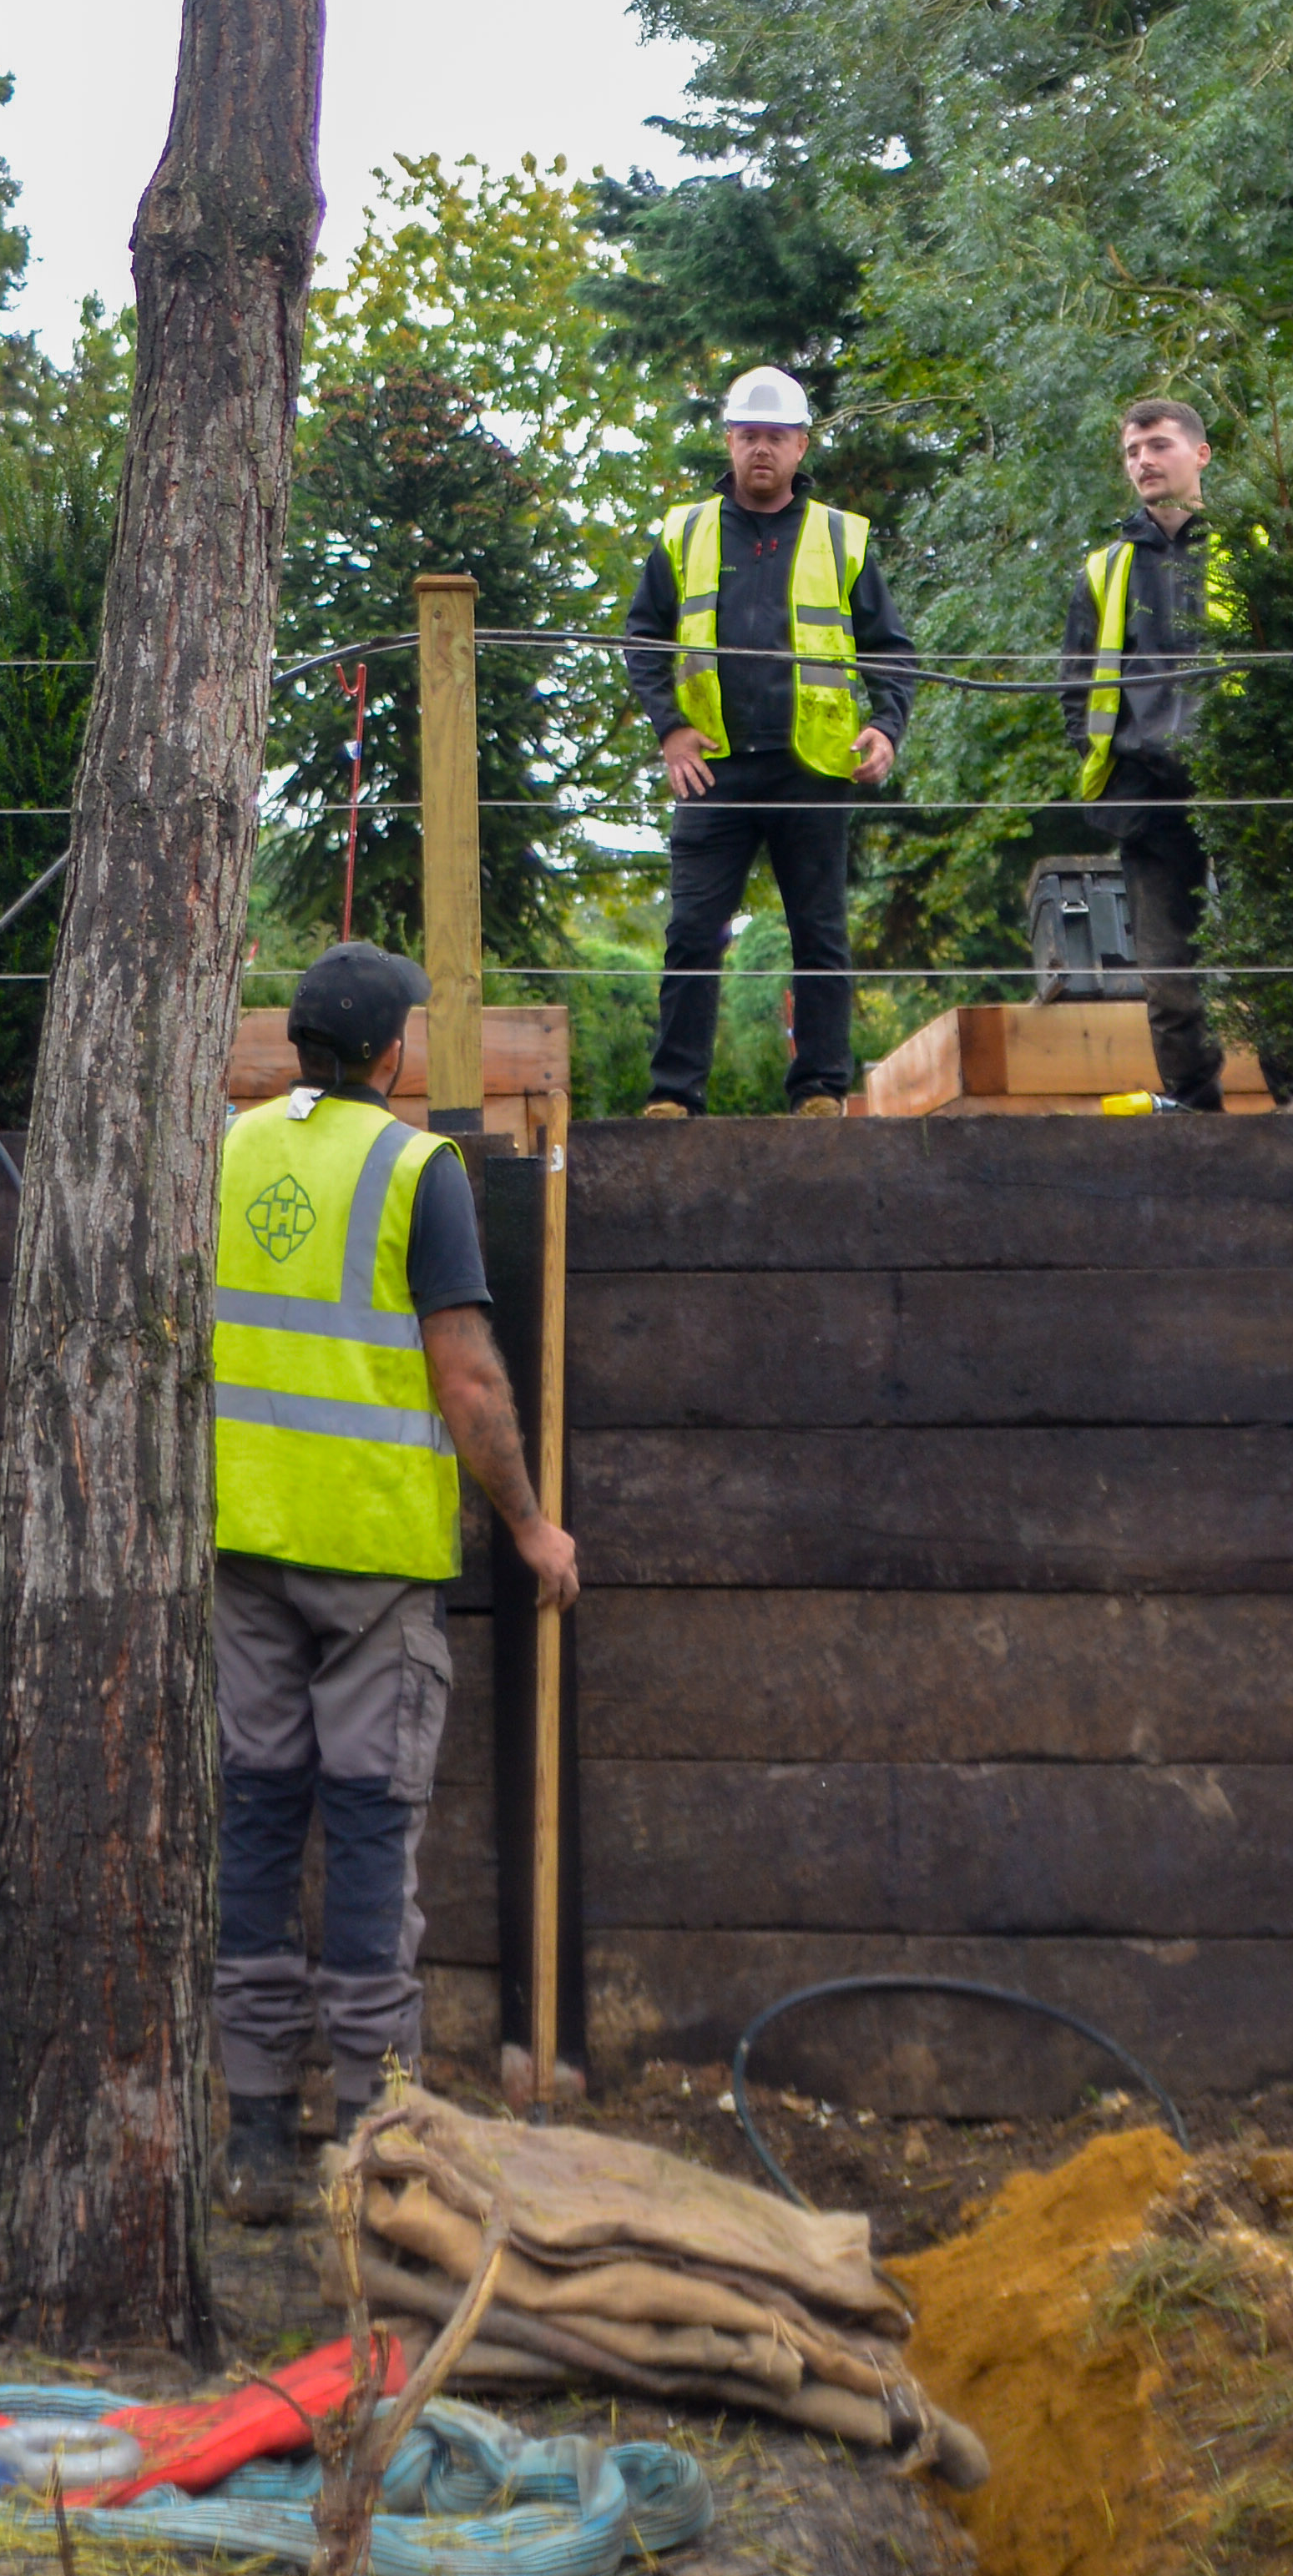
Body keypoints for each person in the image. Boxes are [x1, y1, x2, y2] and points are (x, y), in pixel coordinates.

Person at [210, 940, 578, 2217]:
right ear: (391, 1055)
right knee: (367, 1836)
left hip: (243, 1549)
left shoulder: (227, 1151)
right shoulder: (422, 1171)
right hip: (371, 1566)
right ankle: (372, 2139)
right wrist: (530, 1527)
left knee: (255, 1827)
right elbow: (469, 1379)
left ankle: (255, 2138)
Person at [619, 370, 913, 1119]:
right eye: (748, 434)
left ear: (800, 445)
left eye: (776, 436)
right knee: (690, 934)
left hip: (813, 768)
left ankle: (820, 1090)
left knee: (820, 936)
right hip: (712, 770)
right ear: (728, 440)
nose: (761, 448)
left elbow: (892, 649)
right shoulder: (683, 531)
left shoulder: (842, 536)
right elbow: (641, 637)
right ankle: (674, 1096)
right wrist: (670, 728)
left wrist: (885, 725)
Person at [1043, 391, 1245, 1114]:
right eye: (1132, 451)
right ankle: (1196, 1108)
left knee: (1279, 957)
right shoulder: (1103, 570)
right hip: (1147, 796)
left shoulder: (1251, 550)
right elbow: (1075, 687)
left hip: (1248, 786)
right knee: (1166, 973)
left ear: (1200, 454)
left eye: (1157, 445)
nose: (1142, 462)